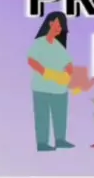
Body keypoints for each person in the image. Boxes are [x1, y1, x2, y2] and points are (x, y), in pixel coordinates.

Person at [27, 12, 76, 152]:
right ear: (50, 23)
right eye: (58, 25)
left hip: (60, 89)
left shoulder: (59, 47)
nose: (60, 29)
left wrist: (67, 75)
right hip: (41, 88)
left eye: (62, 27)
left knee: (60, 115)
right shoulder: (40, 43)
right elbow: (31, 60)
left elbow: (69, 65)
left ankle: (60, 140)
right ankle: (42, 143)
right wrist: (45, 72)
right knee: (42, 116)